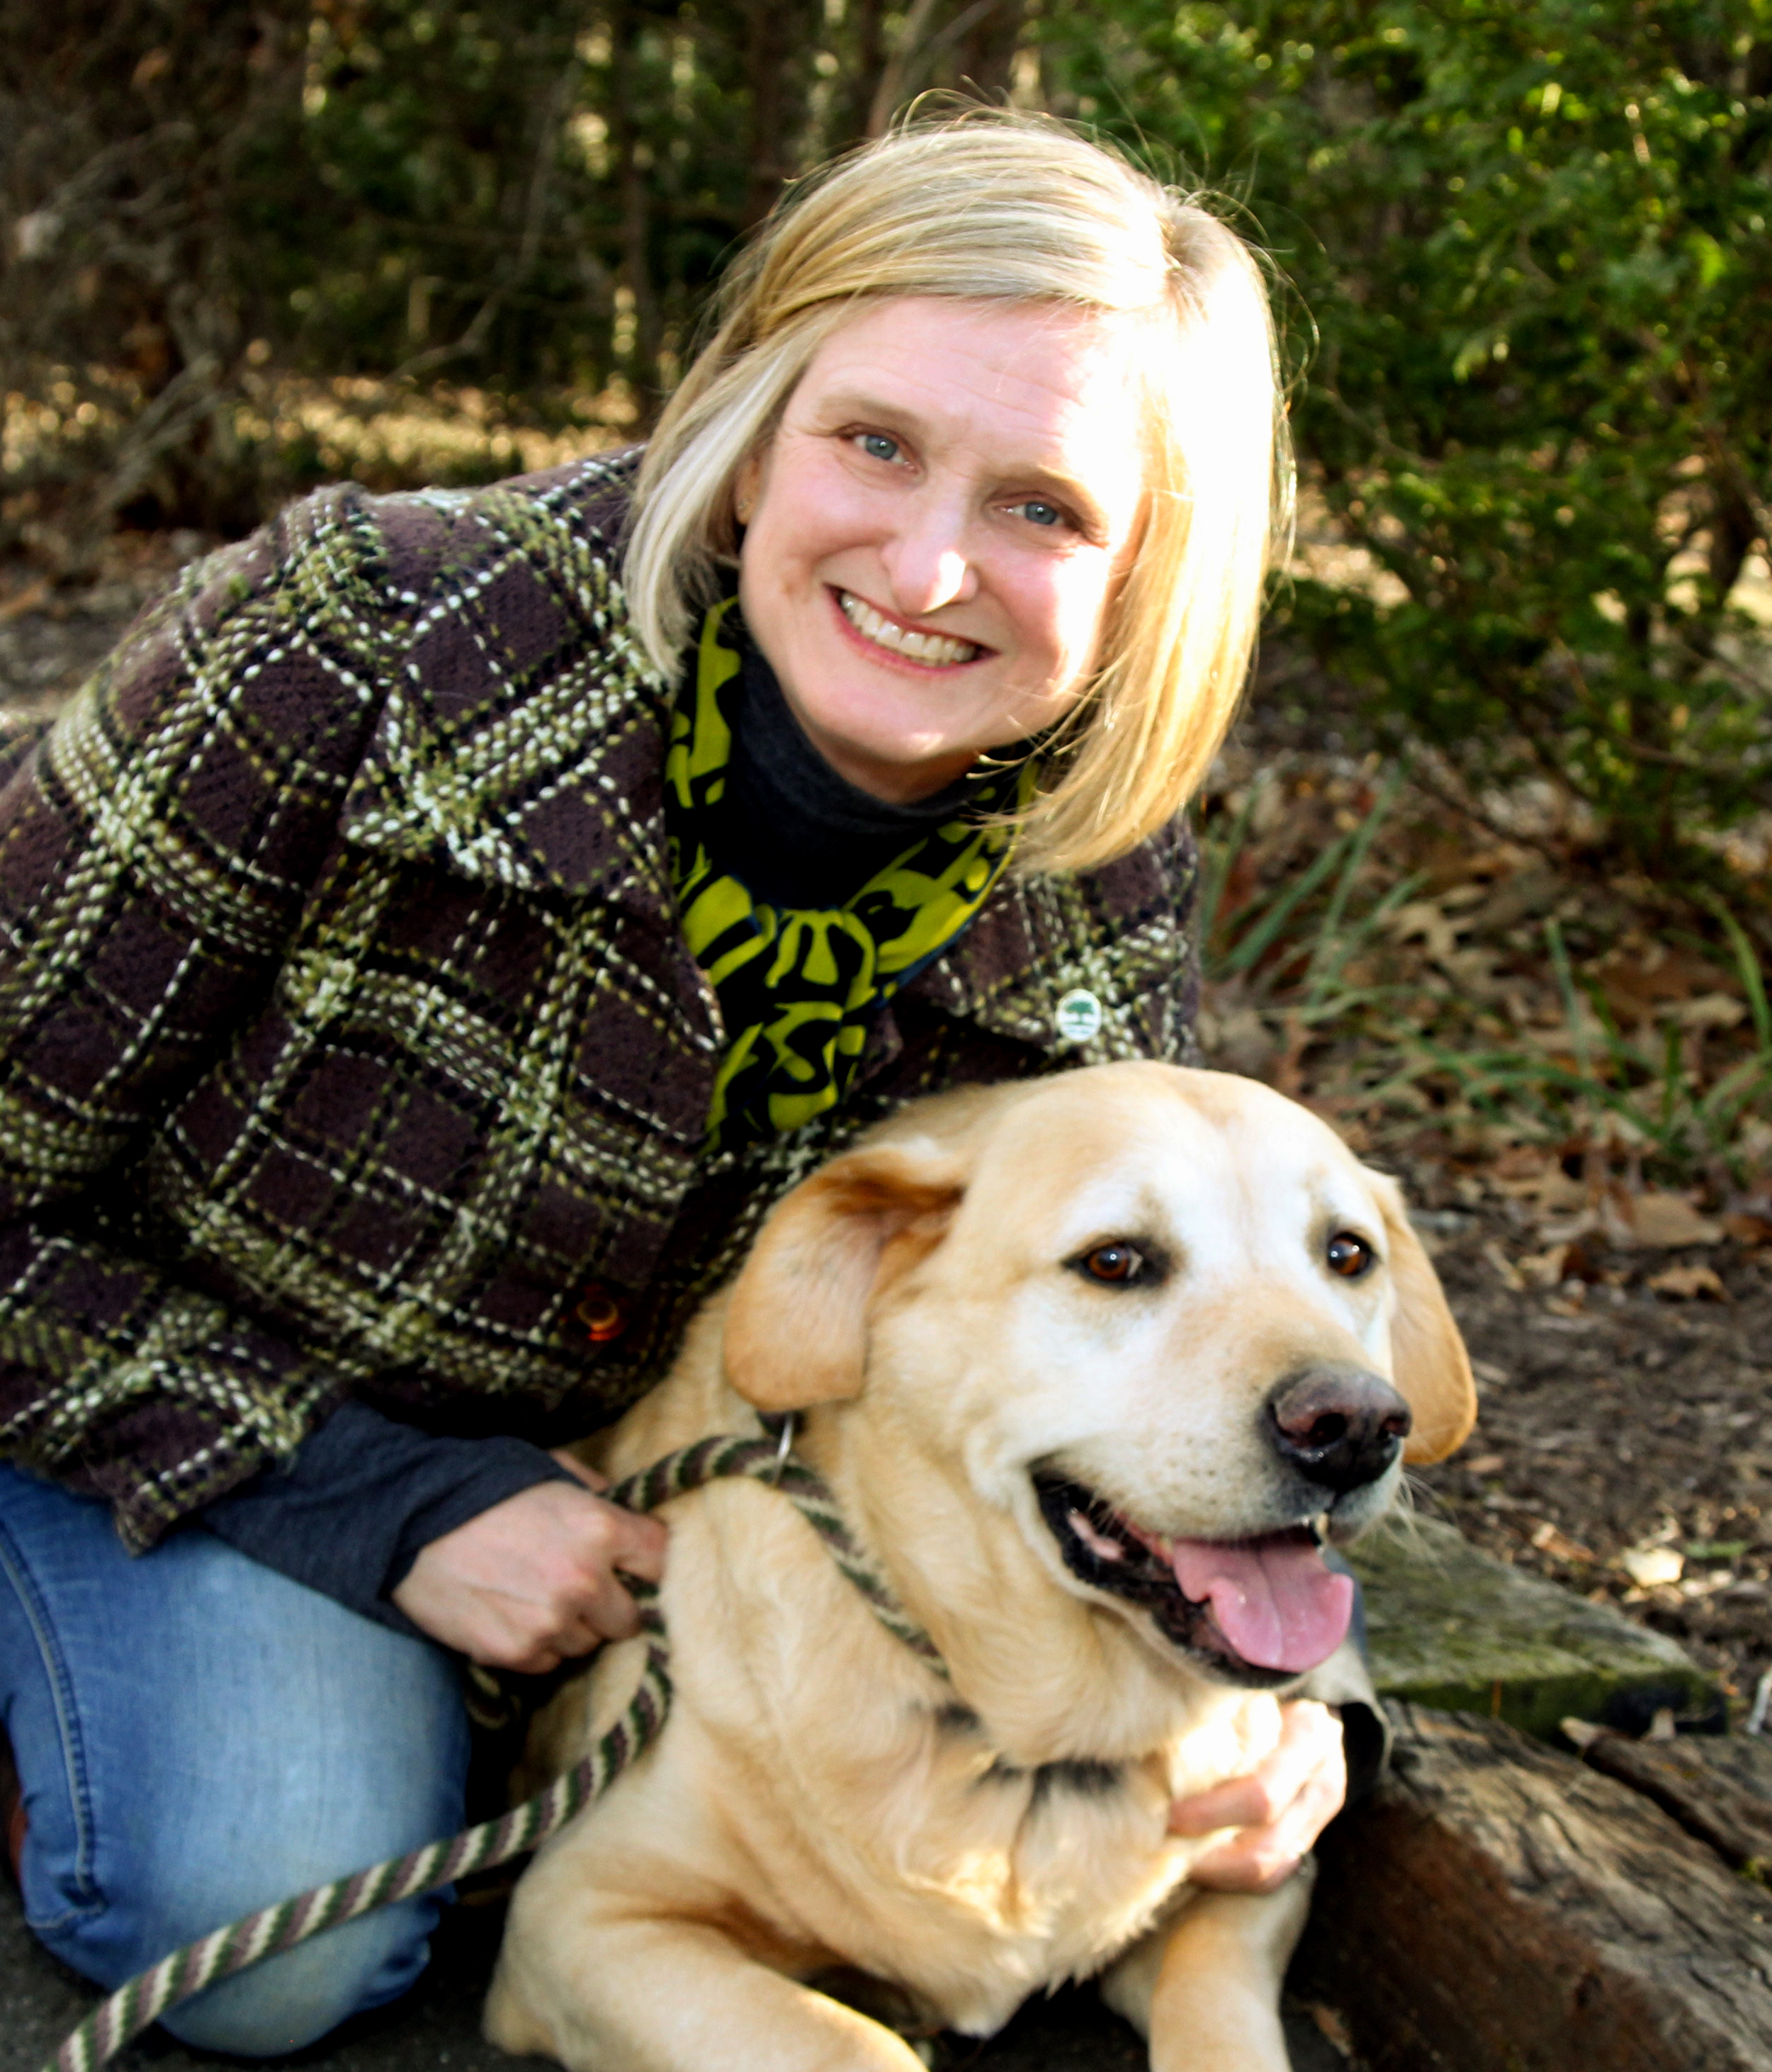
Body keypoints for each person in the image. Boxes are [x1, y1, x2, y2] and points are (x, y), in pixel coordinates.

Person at [0, 110, 1361, 2056]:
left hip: (644, 1524)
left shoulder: (1090, 863)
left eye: (1046, 507)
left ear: (1149, 574)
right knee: (278, 1920)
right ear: (749, 428)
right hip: (137, 1393)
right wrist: (374, 1496)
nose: (929, 561)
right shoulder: (357, 645)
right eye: (873, 440)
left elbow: (1099, 1340)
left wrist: (1294, 1696)